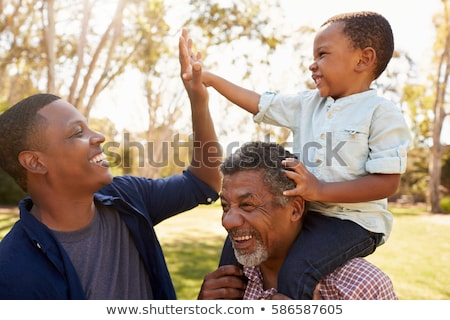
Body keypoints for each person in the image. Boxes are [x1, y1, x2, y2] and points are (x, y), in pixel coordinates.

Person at [182, 11, 411, 299]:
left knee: (298, 270)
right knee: (232, 255)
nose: (312, 65)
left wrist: (320, 190)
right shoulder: (308, 104)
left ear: (363, 59)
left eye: (323, 54)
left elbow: (387, 182)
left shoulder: (381, 113)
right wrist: (211, 80)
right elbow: (259, 104)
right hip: (310, 214)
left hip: (353, 223)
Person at [0, 29, 221, 299]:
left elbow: (204, 182)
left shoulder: (127, 197)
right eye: (77, 133)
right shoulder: (12, 272)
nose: (99, 137)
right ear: (35, 162)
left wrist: (198, 100)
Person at [197, 142, 397, 300]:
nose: (228, 222)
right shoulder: (225, 285)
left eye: (247, 205)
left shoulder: (362, 287)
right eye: (225, 206)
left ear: (295, 209)